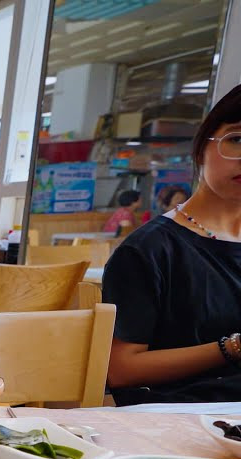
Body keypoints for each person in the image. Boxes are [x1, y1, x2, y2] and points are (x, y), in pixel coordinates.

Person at [102, 84, 241, 404]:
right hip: (180, 417)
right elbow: (120, 370)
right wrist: (232, 348)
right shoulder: (149, 250)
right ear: (201, 147)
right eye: (237, 139)